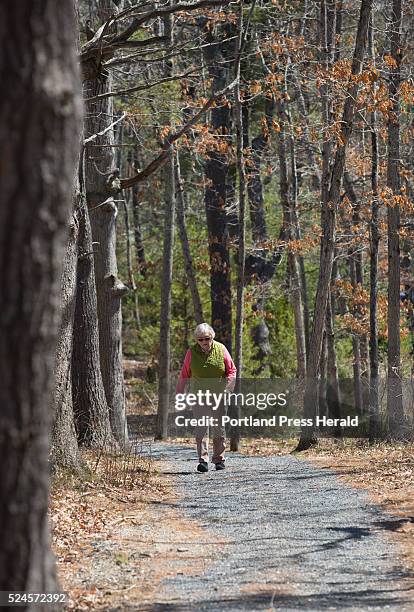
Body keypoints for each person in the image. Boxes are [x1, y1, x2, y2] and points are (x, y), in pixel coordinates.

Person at [176, 323, 236, 472]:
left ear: (212, 337)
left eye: (207, 338)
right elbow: (184, 374)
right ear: (197, 340)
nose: (204, 342)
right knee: (201, 428)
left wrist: (228, 389)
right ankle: (203, 460)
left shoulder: (221, 349)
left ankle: (219, 459)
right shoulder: (191, 352)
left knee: (218, 427)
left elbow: (231, 370)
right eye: (200, 339)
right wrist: (180, 393)